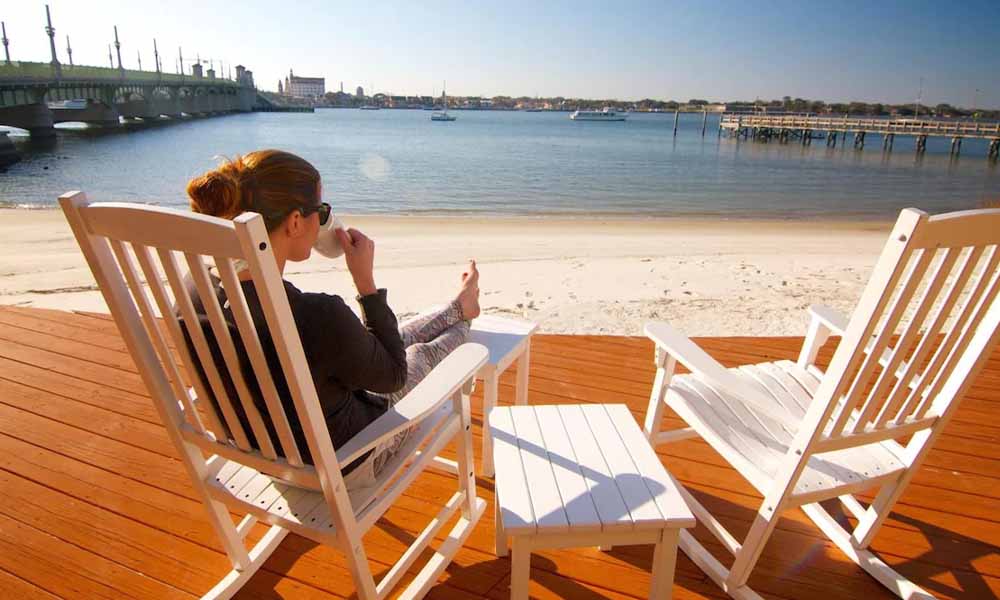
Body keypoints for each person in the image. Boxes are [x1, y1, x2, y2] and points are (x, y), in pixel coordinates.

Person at [184, 149, 480, 490]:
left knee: (389, 338)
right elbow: (396, 376)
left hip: (267, 455)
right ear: (295, 222)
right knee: (418, 356)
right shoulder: (315, 315)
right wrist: (365, 284)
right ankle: (464, 318)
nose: (325, 220)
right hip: (348, 462)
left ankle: (459, 306)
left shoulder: (196, 290)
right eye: (321, 211)